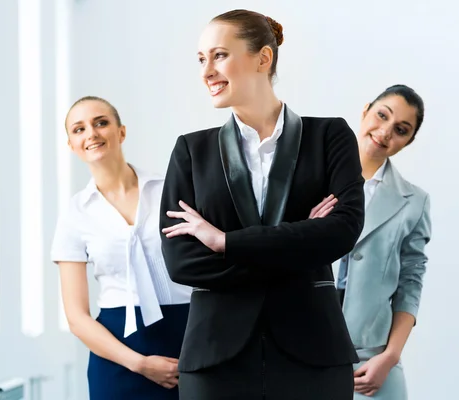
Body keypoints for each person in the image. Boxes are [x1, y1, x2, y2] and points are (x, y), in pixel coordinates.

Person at [159, 9, 364, 400]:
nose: (206, 71)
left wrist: (225, 242)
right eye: (201, 59)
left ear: (262, 58)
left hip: (313, 355)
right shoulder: (191, 150)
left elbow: (341, 232)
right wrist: (299, 244)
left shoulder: (330, 137)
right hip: (216, 360)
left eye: (219, 55)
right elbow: (181, 261)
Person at [50, 96, 191, 399]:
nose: (92, 133)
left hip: (188, 339)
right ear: (72, 145)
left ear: (121, 132)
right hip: (118, 353)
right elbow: (77, 317)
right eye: (79, 129)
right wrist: (139, 364)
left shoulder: (171, 190)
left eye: (101, 123)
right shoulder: (75, 214)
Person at [336, 85, 431, 399]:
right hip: (302, 349)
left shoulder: (413, 202)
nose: (386, 131)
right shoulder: (311, 177)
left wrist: (389, 357)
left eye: (401, 130)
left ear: (408, 142)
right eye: (382, 115)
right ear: (365, 111)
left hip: (371, 359)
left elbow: (410, 284)